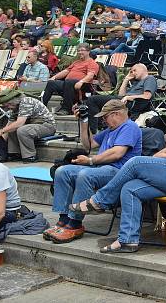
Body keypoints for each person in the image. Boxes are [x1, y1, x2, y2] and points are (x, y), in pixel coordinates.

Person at [70, 102, 166, 253]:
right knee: (130, 188)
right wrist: (158, 158)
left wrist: (154, 159)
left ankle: (99, 201)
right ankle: (127, 240)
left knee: (136, 162)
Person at [46, 100, 143, 243]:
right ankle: (64, 218)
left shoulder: (130, 127)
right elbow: (89, 144)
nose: (103, 120)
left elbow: (117, 153)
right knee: (62, 171)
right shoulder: (110, 130)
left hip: (119, 171)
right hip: (101, 168)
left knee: (85, 174)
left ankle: (74, 223)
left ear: (116, 114)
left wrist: (91, 161)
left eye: (105, 116)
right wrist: (84, 121)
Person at [81, 63, 155, 132]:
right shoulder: (136, 82)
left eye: (135, 70)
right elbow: (121, 95)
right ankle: (100, 128)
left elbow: (147, 96)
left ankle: (94, 131)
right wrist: (126, 80)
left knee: (93, 100)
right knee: (91, 101)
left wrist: (128, 97)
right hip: (123, 101)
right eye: (131, 71)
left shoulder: (149, 78)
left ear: (143, 69)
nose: (133, 73)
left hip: (133, 103)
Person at [0, 89, 56, 163]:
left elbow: (19, 123)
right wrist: (0, 139)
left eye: (8, 105)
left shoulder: (26, 102)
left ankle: (30, 156)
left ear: (13, 101)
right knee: (10, 129)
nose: (8, 108)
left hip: (46, 126)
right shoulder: (15, 107)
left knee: (21, 130)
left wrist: (1, 131)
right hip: (32, 125)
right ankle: (15, 154)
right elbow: (9, 124)